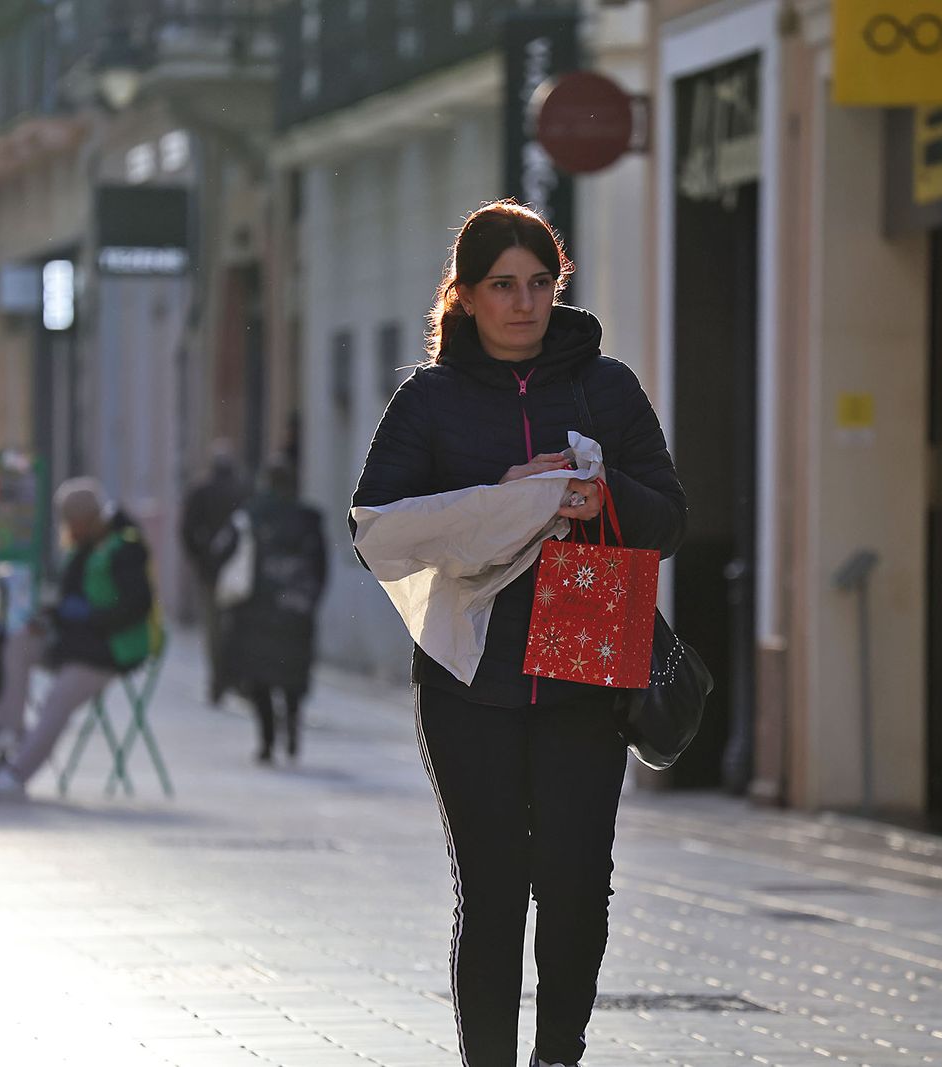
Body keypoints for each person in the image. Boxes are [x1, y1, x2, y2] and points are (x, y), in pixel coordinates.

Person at [350, 200, 686, 1067]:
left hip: (587, 670)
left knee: (577, 886)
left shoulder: (605, 387)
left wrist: (601, 493)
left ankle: (557, 1056)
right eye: (502, 286)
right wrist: (503, 497)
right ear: (464, 295)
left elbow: (671, 518)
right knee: (494, 891)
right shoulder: (429, 400)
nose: (524, 303)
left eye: (541, 283)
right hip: (470, 676)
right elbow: (377, 530)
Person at [0, 478, 163, 799]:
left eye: (73, 523)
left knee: (57, 699)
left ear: (88, 520)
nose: (69, 530)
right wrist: (49, 617)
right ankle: (9, 727)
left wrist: (90, 618)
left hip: (111, 650)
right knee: (19, 642)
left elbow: (135, 605)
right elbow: (69, 599)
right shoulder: (84, 547)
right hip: (76, 642)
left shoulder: (126, 547)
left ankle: (17, 775)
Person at [211, 459, 327, 763]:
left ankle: (266, 741)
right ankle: (292, 729)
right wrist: (310, 600)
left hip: (255, 611)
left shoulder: (250, 516)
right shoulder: (309, 518)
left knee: (259, 677)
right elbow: (321, 568)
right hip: (296, 611)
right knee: (292, 674)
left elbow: (222, 553)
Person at [180, 441, 247, 704]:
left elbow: (186, 530)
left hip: (209, 572)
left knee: (214, 628)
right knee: (236, 626)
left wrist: (198, 559)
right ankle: (232, 678)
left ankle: (219, 680)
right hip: (239, 571)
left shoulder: (200, 491)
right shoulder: (242, 491)